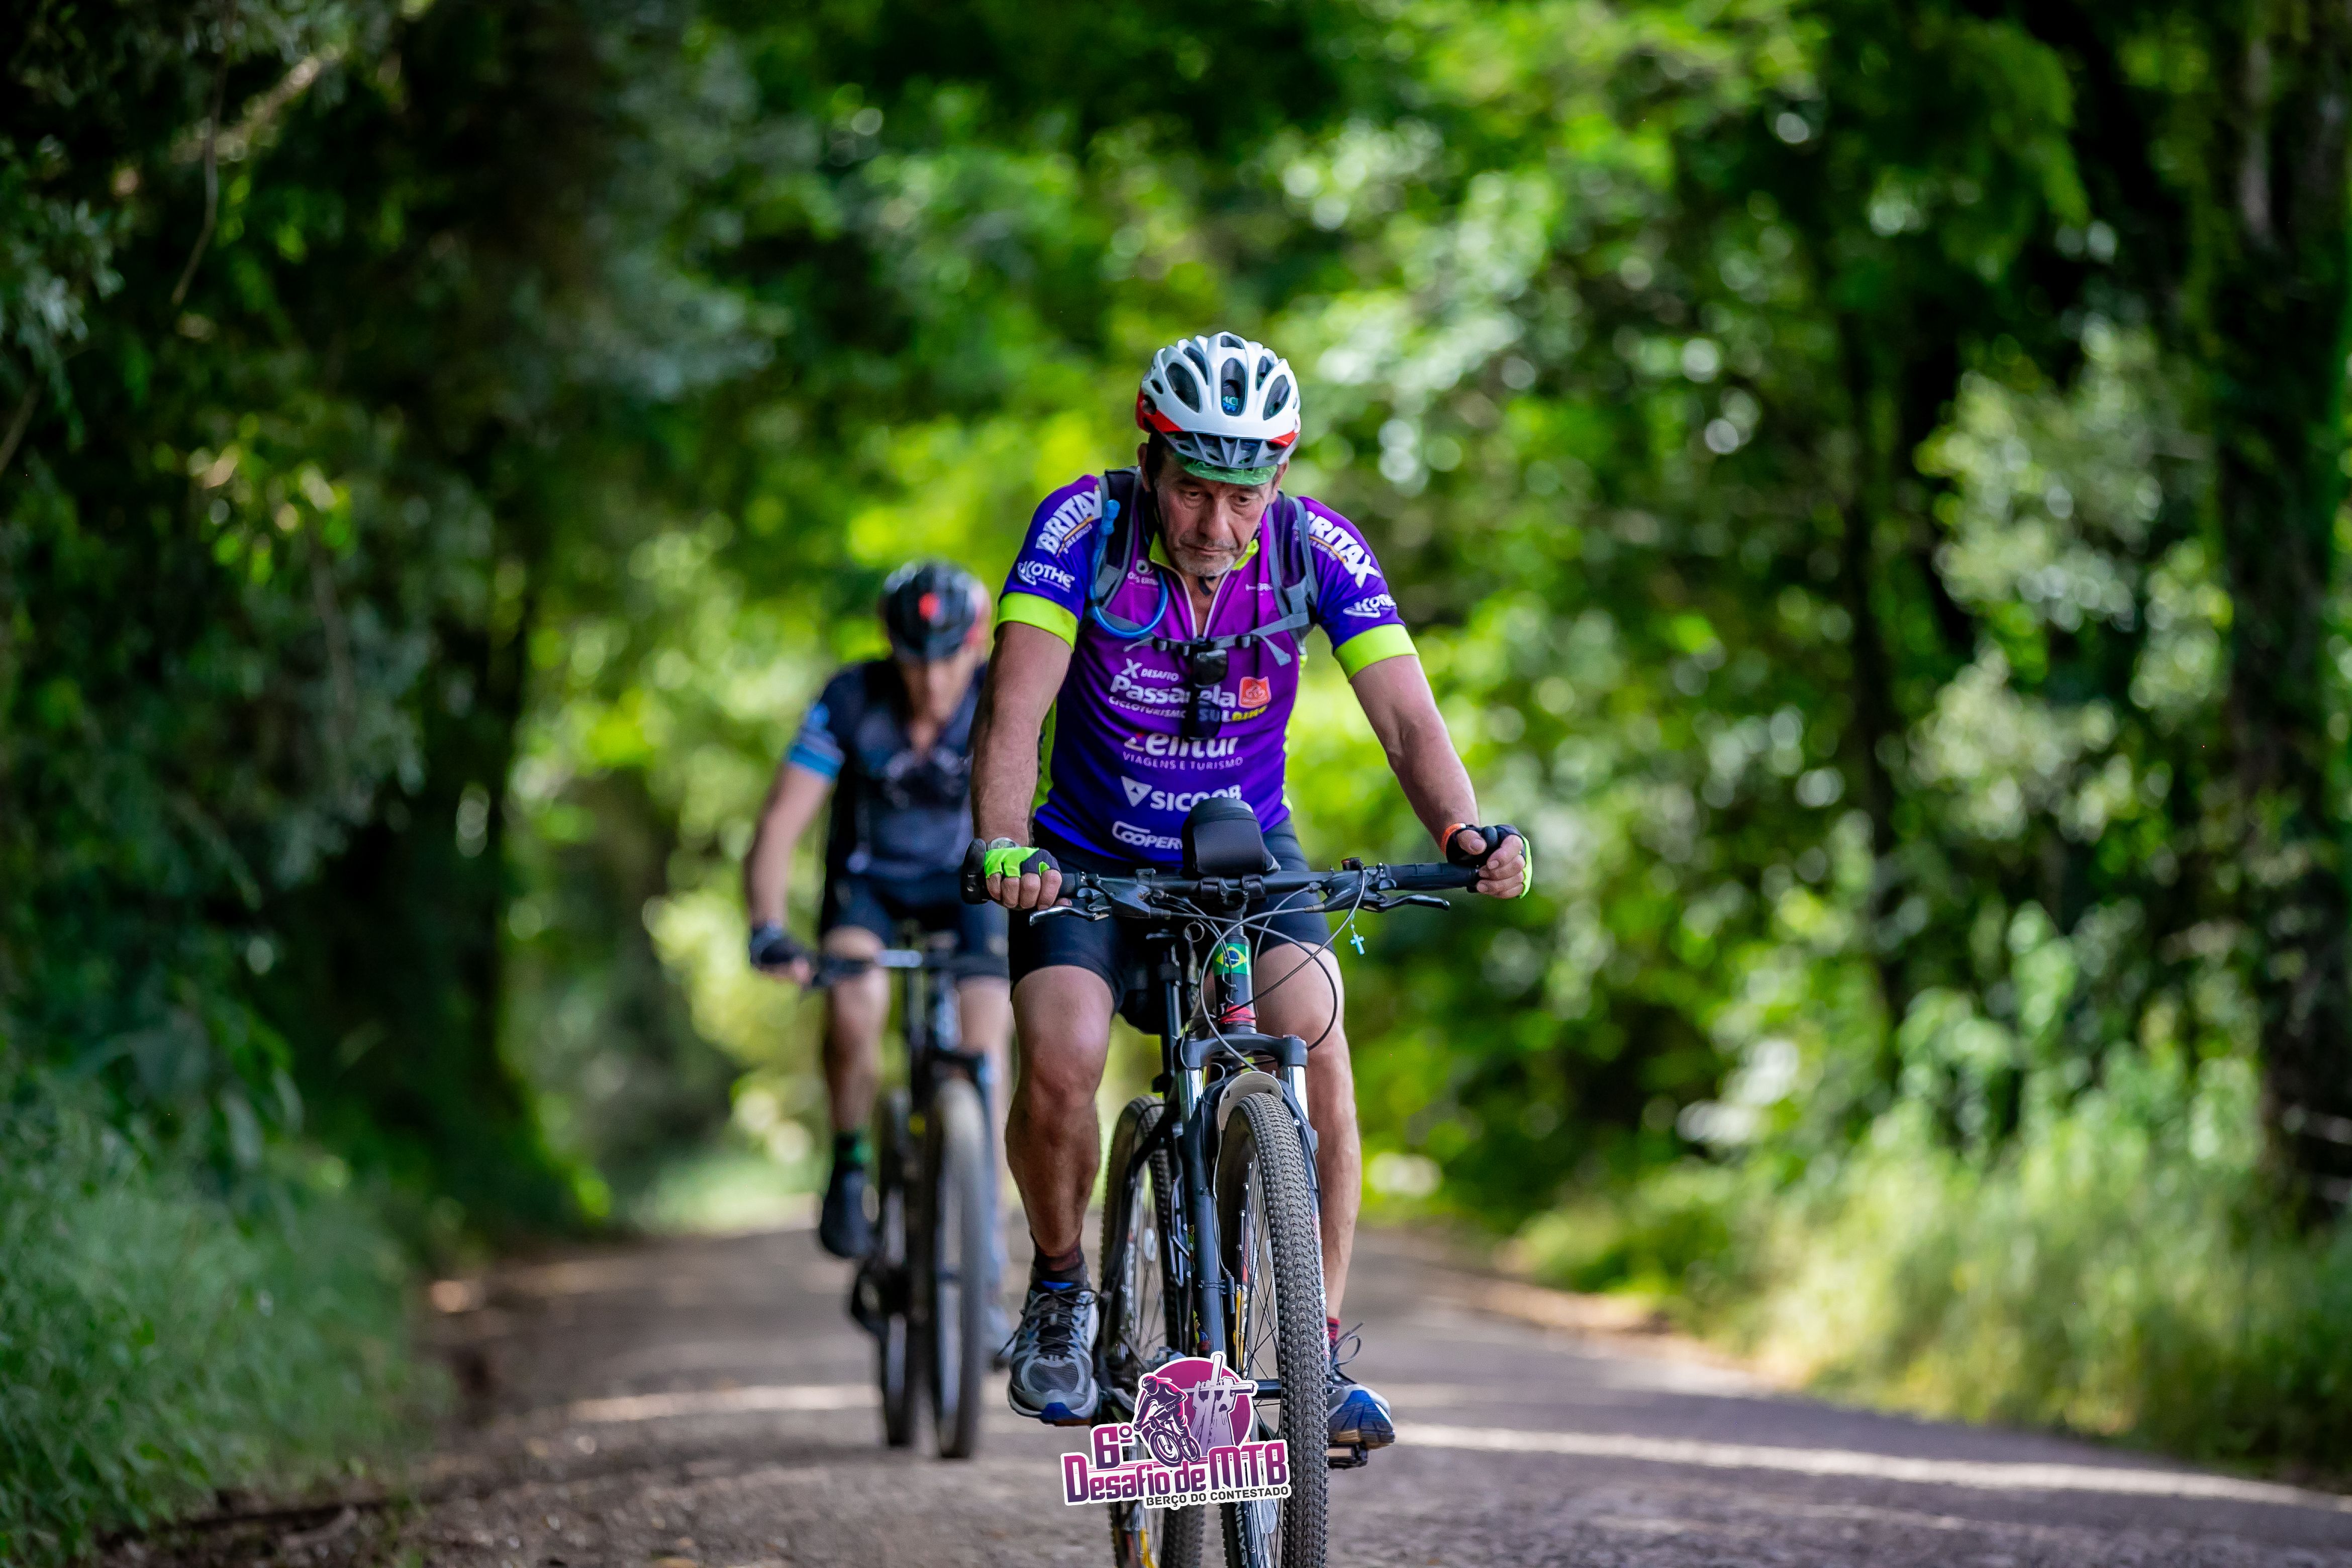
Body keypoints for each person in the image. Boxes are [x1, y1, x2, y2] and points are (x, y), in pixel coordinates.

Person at [968, 332, 1530, 1444]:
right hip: (1087, 855)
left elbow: (1408, 720)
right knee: (1064, 1059)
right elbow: (1013, 712)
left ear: (1277, 482)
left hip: (1244, 853)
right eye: (1192, 492)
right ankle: (1062, 1291)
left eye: (1243, 497)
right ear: (1150, 462)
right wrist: (1002, 847)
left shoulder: (1317, 548)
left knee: (1319, 1049)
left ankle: (1314, 1353)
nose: (1217, 528)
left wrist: (1463, 831)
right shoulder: (1082, 530)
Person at [744, 561, 1012, 1261]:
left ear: (976, 644)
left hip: (968, 885)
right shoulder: (851, 698)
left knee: (989, 1031)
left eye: (947, 660)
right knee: (854, 1002)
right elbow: (779, 824)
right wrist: (768, 928)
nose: (932, 681)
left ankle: (983, 1237)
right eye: (914, 661)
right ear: (890, 646)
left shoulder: (1001, 694)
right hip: (869, 886)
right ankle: (849, 1160)